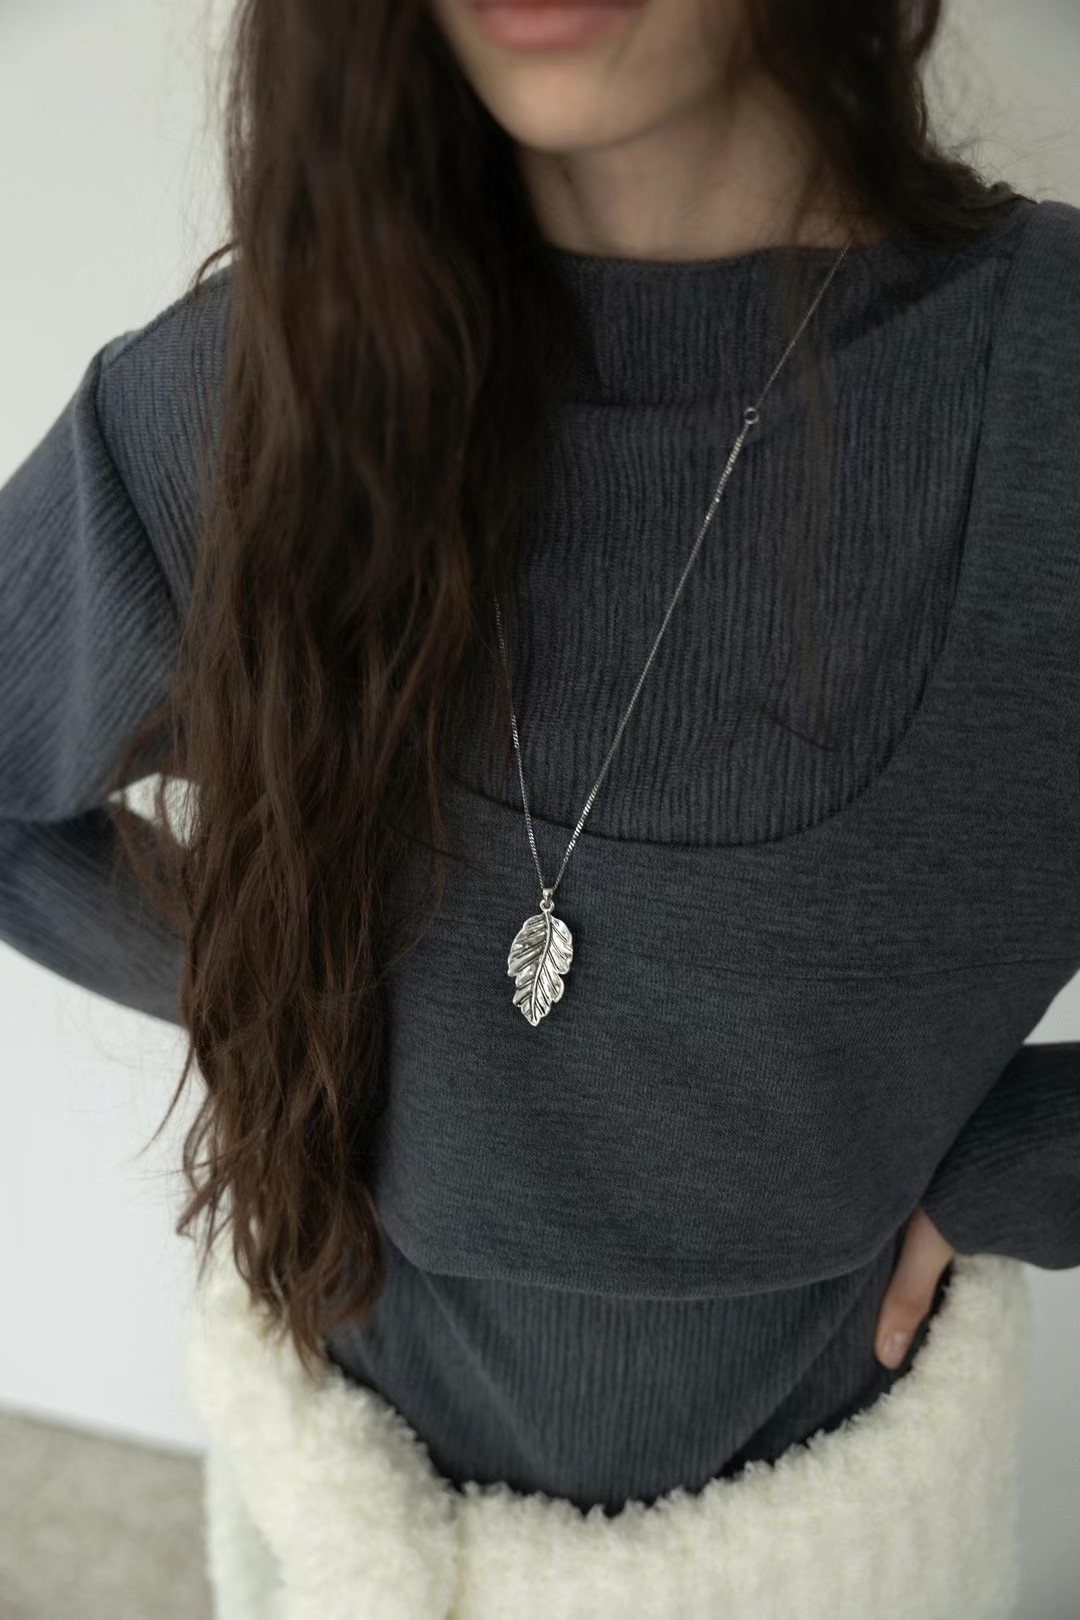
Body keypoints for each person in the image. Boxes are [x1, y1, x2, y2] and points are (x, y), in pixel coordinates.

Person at [2, 0, 1078, 1614]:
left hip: (853, 1548)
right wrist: (275, 983)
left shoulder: (1052, 401)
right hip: (356, 1538)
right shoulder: (253, 404)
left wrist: (1035, 1163)